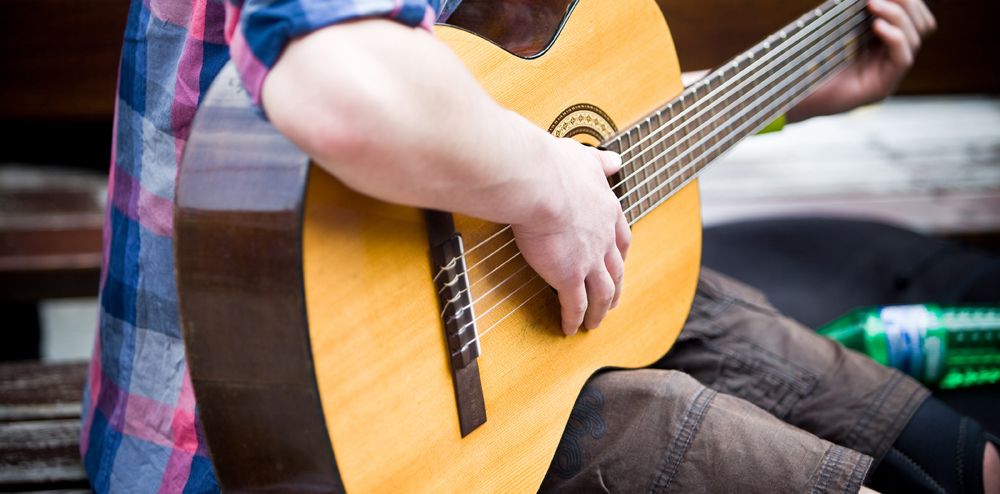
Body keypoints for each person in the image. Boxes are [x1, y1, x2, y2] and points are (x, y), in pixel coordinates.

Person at [79, 0, 999, 491]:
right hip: (316, 433)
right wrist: (546, 186)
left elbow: (539, 100)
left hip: (531, 329)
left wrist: (791, 88)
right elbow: (337, 81)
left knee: (957, 456)